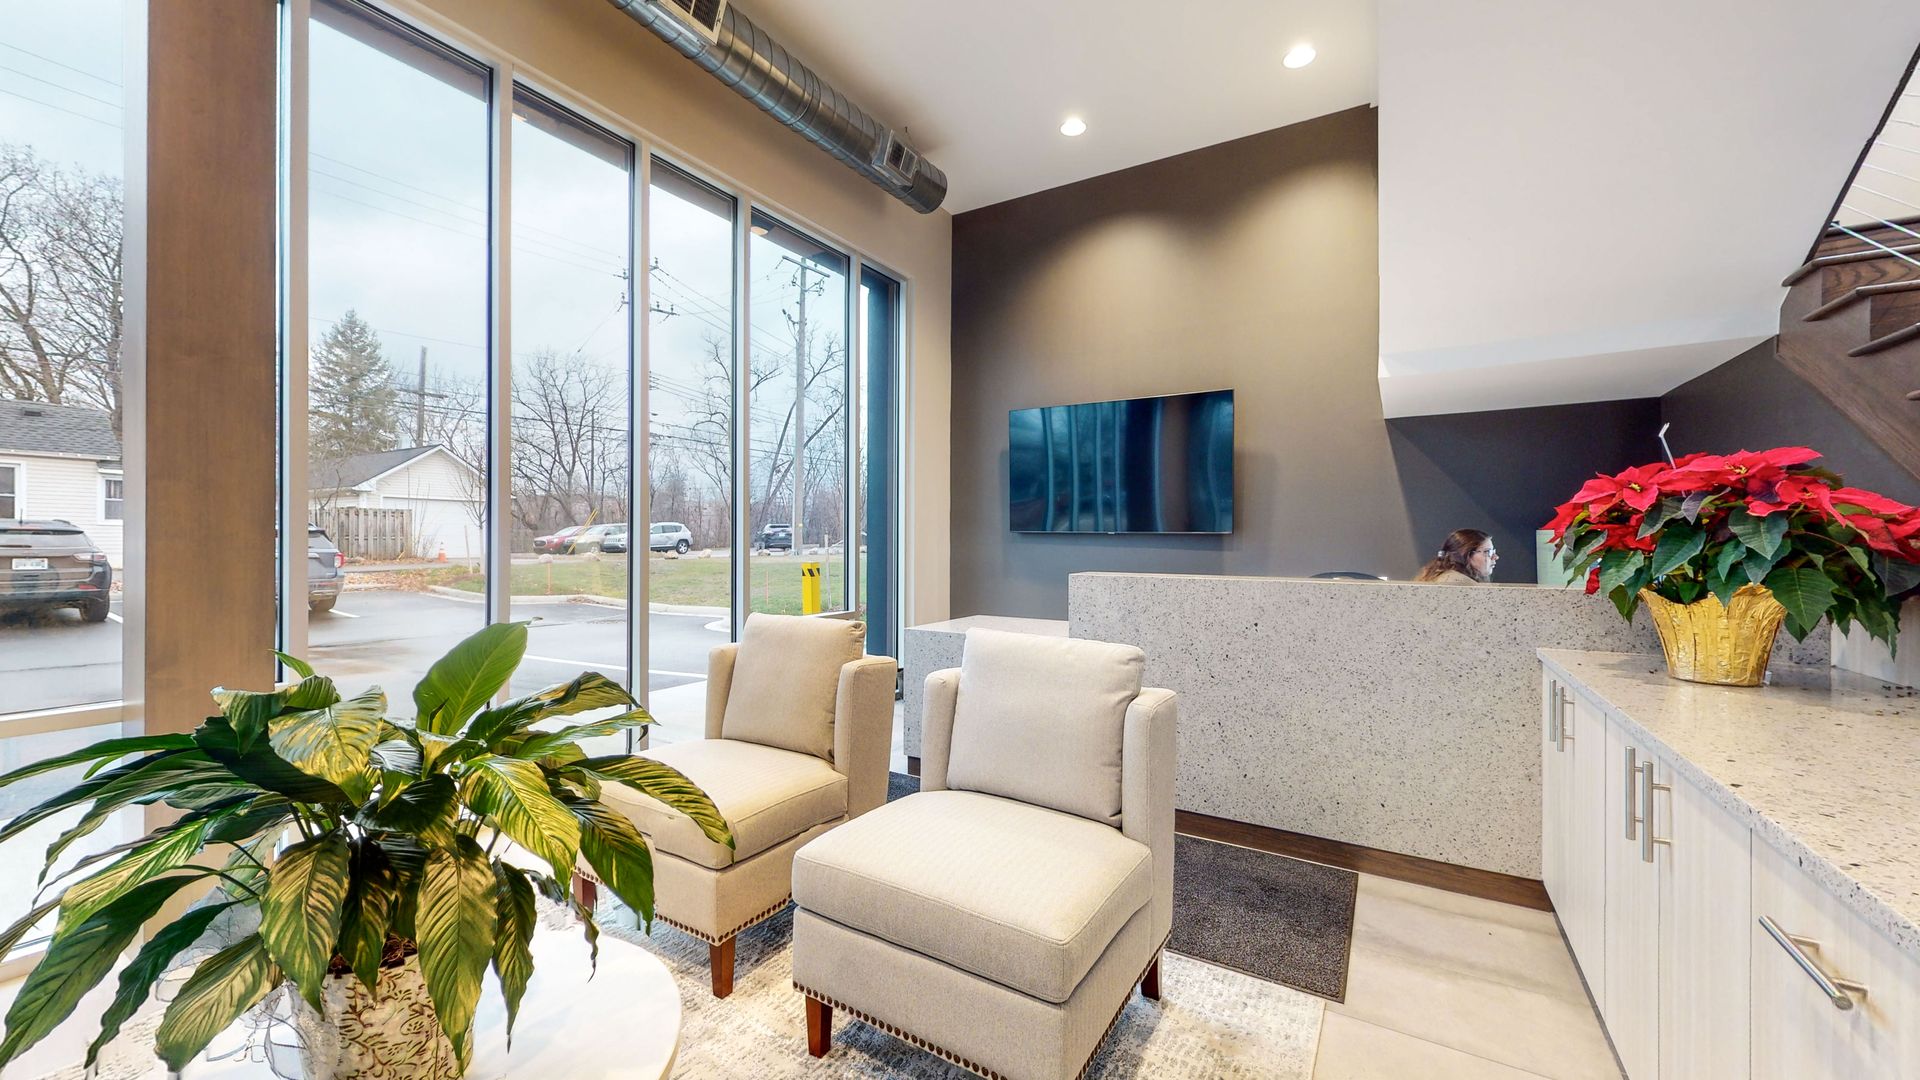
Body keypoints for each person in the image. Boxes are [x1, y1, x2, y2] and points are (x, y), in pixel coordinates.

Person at [1416, 529, 1497, 584]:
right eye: (1487, 552)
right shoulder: (1457, 582)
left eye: (1493, 551)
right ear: (1465, 554)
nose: (1495, 557)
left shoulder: (1446, 578)